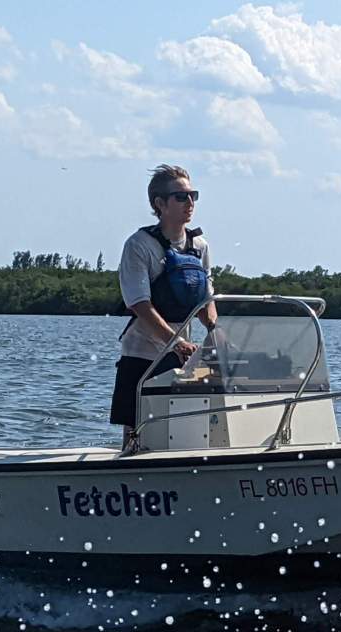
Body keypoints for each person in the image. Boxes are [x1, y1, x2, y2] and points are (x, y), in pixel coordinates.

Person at [109, 164, 219, 449]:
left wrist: (217, 336)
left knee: (186, 430)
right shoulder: (139, 245)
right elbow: (139, 303)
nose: (190, 202)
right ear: (160, 203)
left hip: (184, 357)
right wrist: (175, 341)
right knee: (136, 433)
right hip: (143, 354)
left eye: (193, 195)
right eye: (181, 197)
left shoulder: (200, 246)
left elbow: (207, 300)